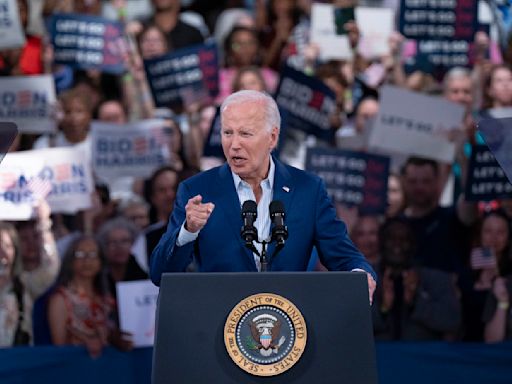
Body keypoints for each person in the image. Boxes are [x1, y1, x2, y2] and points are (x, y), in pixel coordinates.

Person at [150, 90, 376, 302]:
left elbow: (342, 255)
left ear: (272, 138)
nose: (234, 145)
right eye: (228, 133)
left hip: (290, 326)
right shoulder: (197, 190)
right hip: (221, 325)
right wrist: (187, 232)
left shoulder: (308, 189)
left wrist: (360, 274)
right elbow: (161, 274)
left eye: (245, 134)